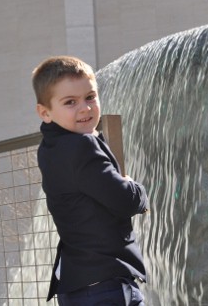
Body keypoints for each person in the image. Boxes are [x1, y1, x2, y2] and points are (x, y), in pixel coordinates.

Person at [32, 56, 149, 305]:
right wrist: (137, 189)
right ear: (45, 112)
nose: (85, 108)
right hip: (106, 285)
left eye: (90, 97)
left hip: (77, 286)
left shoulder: (49, 149)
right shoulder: (82, 146)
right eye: (70, 102)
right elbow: (124, 200)